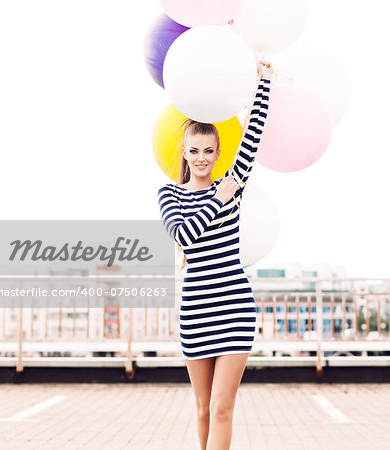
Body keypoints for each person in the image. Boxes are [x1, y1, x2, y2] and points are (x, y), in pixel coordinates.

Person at [157, 59, 273, 450]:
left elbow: (252, 137)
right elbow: (185, 236)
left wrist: (265, 82)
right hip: (196, 311)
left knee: (223, 408)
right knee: (203, 409)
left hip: (235, 307)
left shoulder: (233, 183)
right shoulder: (168, 195)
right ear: (185, 153)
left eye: (209, 150)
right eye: (194, 150)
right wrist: (218, 200)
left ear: (217, 151)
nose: (202, 157)